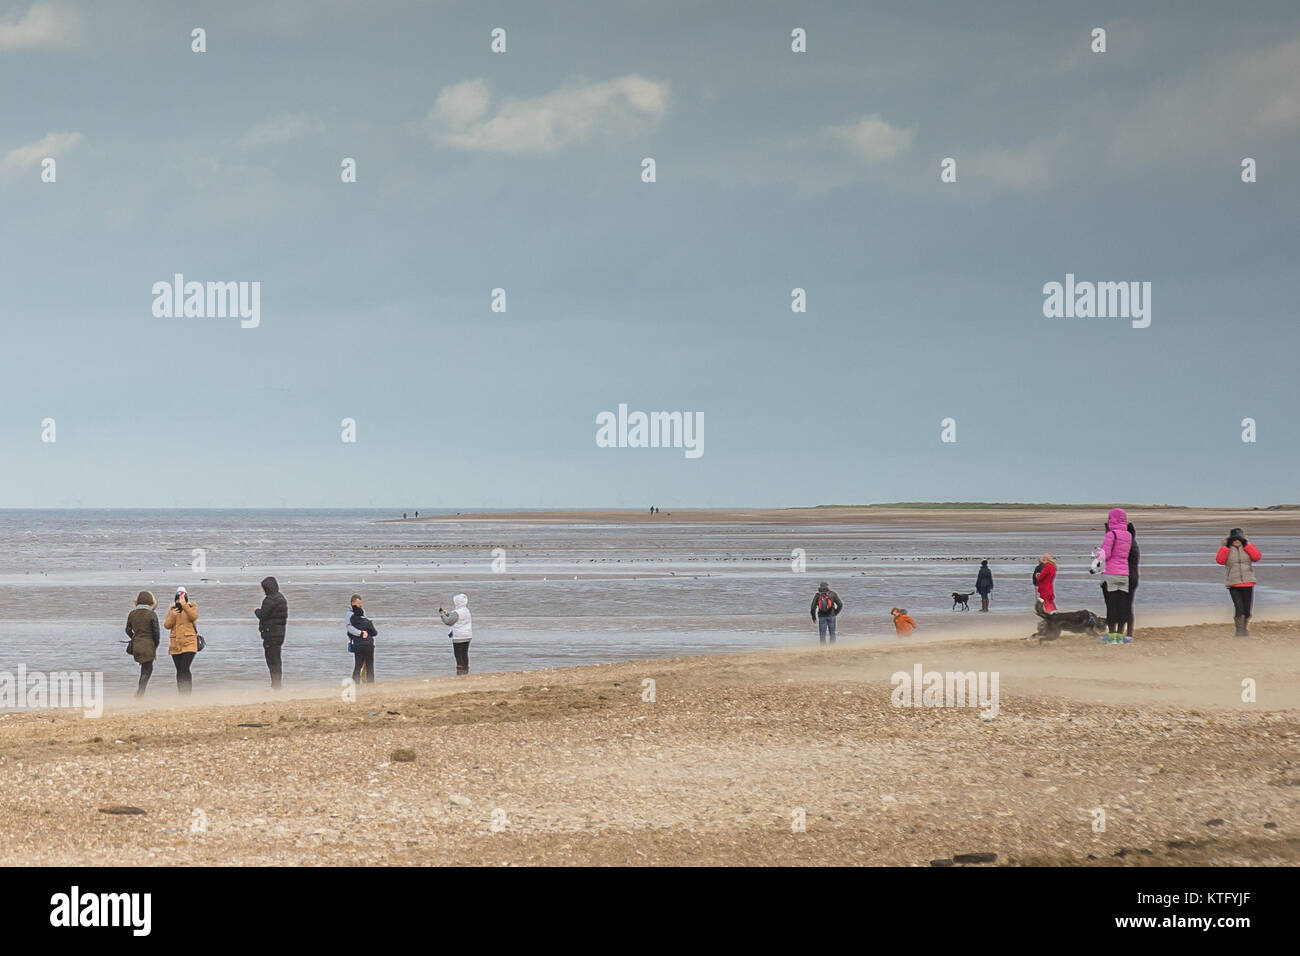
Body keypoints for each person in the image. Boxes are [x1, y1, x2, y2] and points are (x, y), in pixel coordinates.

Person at [1216, 528, 1261, 637]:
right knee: (1239, 607)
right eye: (1234, 539)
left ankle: (1244, 629)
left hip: (1248, 582)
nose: (1236, 541)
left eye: (1238, 539)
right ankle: (1239, 632)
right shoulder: (1226, 548)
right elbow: (1220, 560)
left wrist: (1247, 545)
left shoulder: (1247, 547)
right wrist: (1226, 547)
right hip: (1233, 583)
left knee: (1247, 610)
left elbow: (1256, 557)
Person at [1097, 508, 1133, 644]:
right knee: (1122, 606)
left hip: (1110, 573)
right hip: (1124, 574)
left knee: (1111, 606)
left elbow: (1106, 555)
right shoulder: (1128, 535)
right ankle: (1120, 636)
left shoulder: (1111, 534)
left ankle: (1112, 637)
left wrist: (1097, 555)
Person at [124, 590, 160, 698]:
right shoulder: (152, 614)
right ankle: (140, 693)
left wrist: (134, 638)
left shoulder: (132, 614)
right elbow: (156, 633)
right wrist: (155, 645)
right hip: (148, 644)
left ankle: (140, 692)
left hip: (136, 645)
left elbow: (127, 630)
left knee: (144, 668)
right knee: (147, 669)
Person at [163, 586, 199, 694]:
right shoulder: (172, 610)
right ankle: (181, 693)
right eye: (178, 598)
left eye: (182, 597)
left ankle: (187, 693)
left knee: (185, 668)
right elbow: (167, 625)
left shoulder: (191, 607)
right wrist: (172, 616)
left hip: (189, 643)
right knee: (179, 670)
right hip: (175, 644)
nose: (179, 600)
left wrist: (185, 605)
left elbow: (194, 616)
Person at [254, 576, 288, 689]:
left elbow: (263, 615)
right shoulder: (281, 598)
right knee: (277, 660)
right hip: (280, 634)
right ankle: (277, 684)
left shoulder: (269, 600)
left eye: (263, 588)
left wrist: (256, 611)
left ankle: (276, 685)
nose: (262, 590)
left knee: (272, 660)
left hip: (271, 634)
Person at [439, 593, 473, 675]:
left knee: (458, 654)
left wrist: (442, 615)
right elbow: (456, 618)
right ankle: (466, 669)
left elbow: (448, 622)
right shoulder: (466, 610)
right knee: (465, 653)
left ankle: (460, 671)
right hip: (468, 635)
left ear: (457, 602)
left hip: (459, 637)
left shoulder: (456, 612)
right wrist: (447, 614)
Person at [347, 593, 378, 683]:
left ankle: (357, 684)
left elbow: (349, 631)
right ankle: (369, 684)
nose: (361, 605)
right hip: (365, 644)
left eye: (361, 603)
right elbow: (349, 628)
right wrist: (361, 633)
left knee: (360, 665)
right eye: (359, 603)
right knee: (368, 665)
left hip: (360, 644)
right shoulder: (349, 615)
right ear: (353, 603)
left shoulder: (357, 616)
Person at [1126, 522, 1140, 639]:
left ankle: (1121, 632)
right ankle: (1129, 633)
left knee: (1119, 606)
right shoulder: (1134, 544)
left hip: (1125, 577)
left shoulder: (1126, 545)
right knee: (1128, 606)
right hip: (1134, 577)